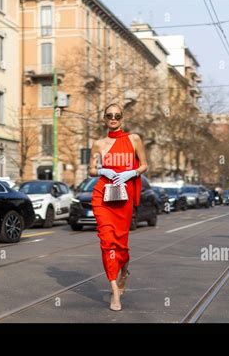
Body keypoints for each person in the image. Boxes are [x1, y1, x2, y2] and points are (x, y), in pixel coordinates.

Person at [89, 103, 148, 311]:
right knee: (107, 242)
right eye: (109, 115)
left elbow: (144, 165)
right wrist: (102, 171)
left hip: (123, 198)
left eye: (117, 115)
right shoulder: (98, 144)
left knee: (120, 244)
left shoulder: (134, 139)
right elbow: (91, 169)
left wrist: (131, 173)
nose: (113, 118)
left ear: (122, 118)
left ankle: (125, 272)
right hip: (102, 197)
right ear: (104, 119)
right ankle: (114, 290)